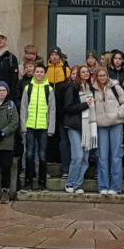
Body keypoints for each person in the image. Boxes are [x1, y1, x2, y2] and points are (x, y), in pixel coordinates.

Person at [93, 68, 124, 195]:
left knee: (116, 156)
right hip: (101, 126)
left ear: (107, 76)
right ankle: (103, 186)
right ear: (97, 77)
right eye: (100, 75)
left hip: (116, 125)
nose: (102, 77)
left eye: (104, 75)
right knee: (102, 156)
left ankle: (115, 187)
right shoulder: (93, 89)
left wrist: (118, 114)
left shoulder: (116, 87)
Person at [20, 63, 56, 191]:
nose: (39, 74)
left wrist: (51, 128)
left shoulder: (49, 89)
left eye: (42, 72)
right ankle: (28, 182)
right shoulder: (28, 87)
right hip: (30, 126)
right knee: (29, 154)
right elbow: (23, 108)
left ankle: (42, 183)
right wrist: (23, 126)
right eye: (37, 72)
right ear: (34, 73)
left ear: (45, 74)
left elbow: (52, 109)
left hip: (43, 127)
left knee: (42, 155)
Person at [62, 65, 97, 194]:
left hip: (88, 127)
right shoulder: (72, 87)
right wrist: (84, 105)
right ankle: (69, 183)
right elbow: (68, 107)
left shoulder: (91, 89)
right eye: (83, 72)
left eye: (87, 71)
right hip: (75, 126)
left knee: (85, 158)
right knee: (78, 156)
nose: (85, 73)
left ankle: (77, 185)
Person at [46, 46, 72, 178]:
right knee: (47, 140)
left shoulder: (66, 70)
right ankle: (46, 168)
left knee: (64, 141)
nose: (54, 57)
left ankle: (65, 169)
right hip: (47, 111)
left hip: (62, 111)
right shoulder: (45, 70)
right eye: (52, 55)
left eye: (56, 55)